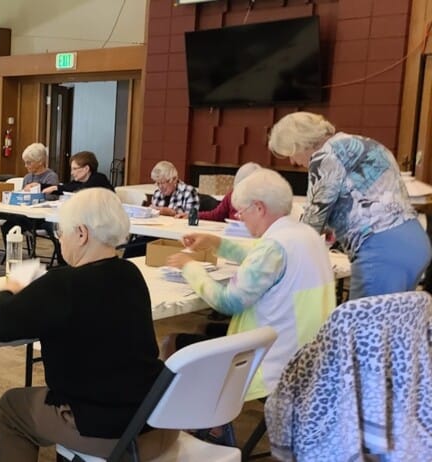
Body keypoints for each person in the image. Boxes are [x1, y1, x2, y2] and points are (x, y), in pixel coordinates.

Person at [0, 188, 177, 461]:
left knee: (11, 408)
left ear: (82, 233)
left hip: (106, 432)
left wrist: (11, 286)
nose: (60, 240)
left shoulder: (63, 283)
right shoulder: (131, 273)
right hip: (153, 421)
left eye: (60, 233)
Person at [165, 169, 336, 401]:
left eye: (242, 212)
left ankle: (206, 419)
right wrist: (216, 243)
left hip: (270, 362)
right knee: (204, 333)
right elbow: (259, 257)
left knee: (174, 344)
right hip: (309, 358)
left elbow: (227, 301)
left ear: (259, 207)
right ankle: (217, 418)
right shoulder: (304, 235)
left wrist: (189, 266)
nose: (240, 217)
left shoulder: (273, 247)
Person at [268, 111, 431, 299]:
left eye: (291, 153)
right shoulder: (366, 143)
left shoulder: (325, 157)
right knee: (393, 323)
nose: (293, 161)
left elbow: (312, 221)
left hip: (381, 249)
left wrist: (279, 250)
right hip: (414, 241)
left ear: (300, 143)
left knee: (366, 325)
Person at [0, 143, 60, 244]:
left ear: (40, 162)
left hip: (43, 218)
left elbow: (51, 198)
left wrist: (34, 193)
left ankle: (61, 258)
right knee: (7, 225)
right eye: (25, 162)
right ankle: (11, 255)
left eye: (29, 163)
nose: (26, 166)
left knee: (54, 229)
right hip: (27, 215)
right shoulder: (27, 177)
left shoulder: (51, 177)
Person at [41, 151, 114, 199]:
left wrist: (56, 188)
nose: (71, 173)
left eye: (75, 169)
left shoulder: (99, 178)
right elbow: (65, 187)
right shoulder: (80, 181)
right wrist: (39, 186)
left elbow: (81, 189)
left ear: (86, 169)